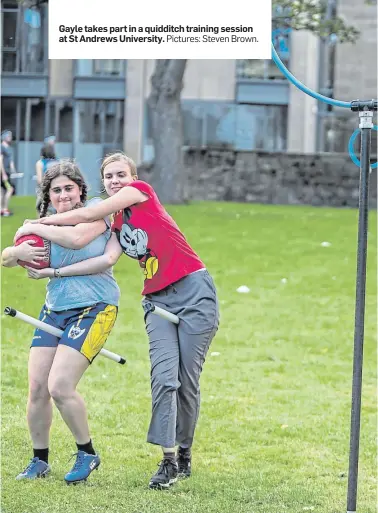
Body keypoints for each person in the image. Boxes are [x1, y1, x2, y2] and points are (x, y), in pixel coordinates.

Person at [24, 152, 220, 490]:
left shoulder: (141, 191)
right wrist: (53, 271)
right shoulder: (116, 221)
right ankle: (169, 460)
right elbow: (107, 258)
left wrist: (34, 225)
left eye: (120, 174)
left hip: (194, 290)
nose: (115, 181)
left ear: (132, 176)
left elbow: (85, 214)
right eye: (109, 177)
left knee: (186, 382)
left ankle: (185, 452)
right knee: (163, 378)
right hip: (156, 298)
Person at [2, 161, 121, 484]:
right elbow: (7, 259)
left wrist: (35, 226)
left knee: (60, 386)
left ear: (80, 190)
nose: (64, 194)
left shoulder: (98, 210)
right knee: (38, 387)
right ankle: (39, 460)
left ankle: (87, 452)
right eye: (57, 190)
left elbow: (77, 239)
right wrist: (16, 252)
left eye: (69, 188)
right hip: (55, 308)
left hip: (96, 307)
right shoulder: (42, 227)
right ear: (49, 195)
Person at [35, 142, 58, 213]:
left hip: (45, 189)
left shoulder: (40, 163)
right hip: (56, 188)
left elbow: (39, 180)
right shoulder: (57, 162)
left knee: (41, 208)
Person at [1, 130, 16, 217]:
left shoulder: (9, 148)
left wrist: (13, 169)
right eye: (9, 136)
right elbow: (0, 160)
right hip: (3, 172)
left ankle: (2, 209)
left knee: (3, 191)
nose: (10, 137)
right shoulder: (1, 147)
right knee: (10, 189)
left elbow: (10, 161)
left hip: (7, 172)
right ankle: (5, 209)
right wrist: (3, 174)